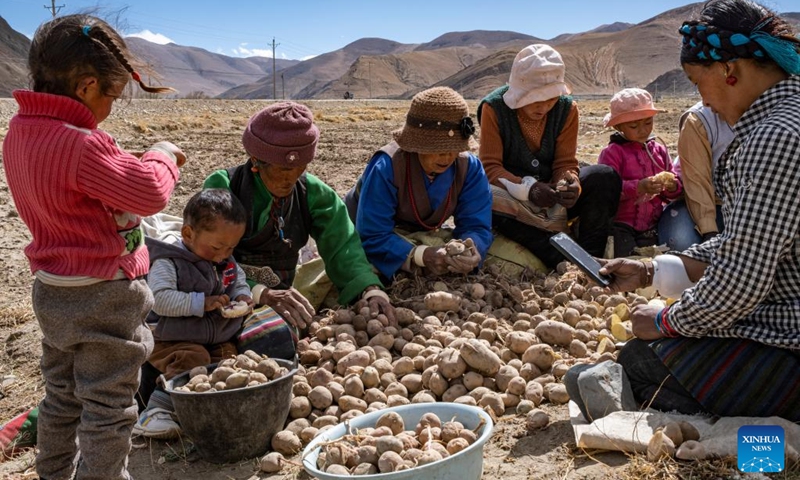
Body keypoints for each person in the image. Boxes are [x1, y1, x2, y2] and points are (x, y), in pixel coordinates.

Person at [591, 0, 800, 420]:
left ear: (728, 71)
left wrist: (668, 320)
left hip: (791, 338)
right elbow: (752, 240)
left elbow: (742, 279)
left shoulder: (774, 137)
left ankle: (764, 450)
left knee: (639, 361)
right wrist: (655, 270)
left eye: (695, 82)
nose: (700, 99)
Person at [2, 14, 185, 480]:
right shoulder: (81, 144)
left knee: (61, 396)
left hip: (52, 290)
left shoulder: (20, 132)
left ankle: (54, 473)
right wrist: (160, 154)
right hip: (104, 294)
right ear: (86, 87)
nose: (109, 108)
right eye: (112, 96)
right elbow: (147, 192)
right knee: (108, 405)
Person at [203, 101, 395, 327]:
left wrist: (369, 289)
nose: (291, 178)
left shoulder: (314, 193)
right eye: (283, 169)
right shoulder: (225, 186)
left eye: (300, 167)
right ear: (256, 161)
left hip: (284, 291)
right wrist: (259, 292)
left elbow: (343, 245)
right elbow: (205, 255)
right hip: (224, 291)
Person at [478, 44, 621, 268]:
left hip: (551, 197)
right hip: (514, 197)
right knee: (482, 196)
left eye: (551, 99)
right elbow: (490, 167)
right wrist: (529, 188)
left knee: (603, 177)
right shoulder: (494, 108)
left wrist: (569, 183)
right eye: (535, 99)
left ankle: (591, 257)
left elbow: (565, 163)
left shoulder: (567, 109)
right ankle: (557, 256)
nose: (543, 107)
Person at [133, 189, 252, 439]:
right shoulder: (170, 261)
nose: (223, 254)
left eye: (231, 247)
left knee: (229, 360)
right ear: (188, 234)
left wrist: (242, 296)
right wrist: (201, 303)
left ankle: (207, 406)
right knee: (192, 359)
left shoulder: (223, 259)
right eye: (218, 247)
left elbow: (237, 279)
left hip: (214, 336)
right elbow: (159, 299)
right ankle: (156, 411)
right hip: (171, 338)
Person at [345, 86, 492, 280]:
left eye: (454, 148)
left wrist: (470, 250)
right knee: (357, 271)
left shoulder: (468, 167)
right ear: (416, 145)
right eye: (438, 148)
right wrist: (421, 255)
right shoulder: (388, 166)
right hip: (369, 230)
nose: (447, 156)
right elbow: (372, 234)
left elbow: (477, 223)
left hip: (422, 234)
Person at [598, 88, 683, 257]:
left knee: (653, 263)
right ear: (618, 126)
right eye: (634, 126)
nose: (643, 130)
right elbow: (607, 191)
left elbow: (674, 189)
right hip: (621, 225)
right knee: (627, 260)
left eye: (648, 122)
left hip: (652, 225)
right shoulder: (612, 153)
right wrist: (639, 187)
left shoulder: (659, 150)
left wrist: (672, 186)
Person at [657, 102, 734, 250]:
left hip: (744, 208)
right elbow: (696, 181)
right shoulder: (699, 120)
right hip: (703, 202)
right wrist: (709, 230)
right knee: (682, 241)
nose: (705, 101)